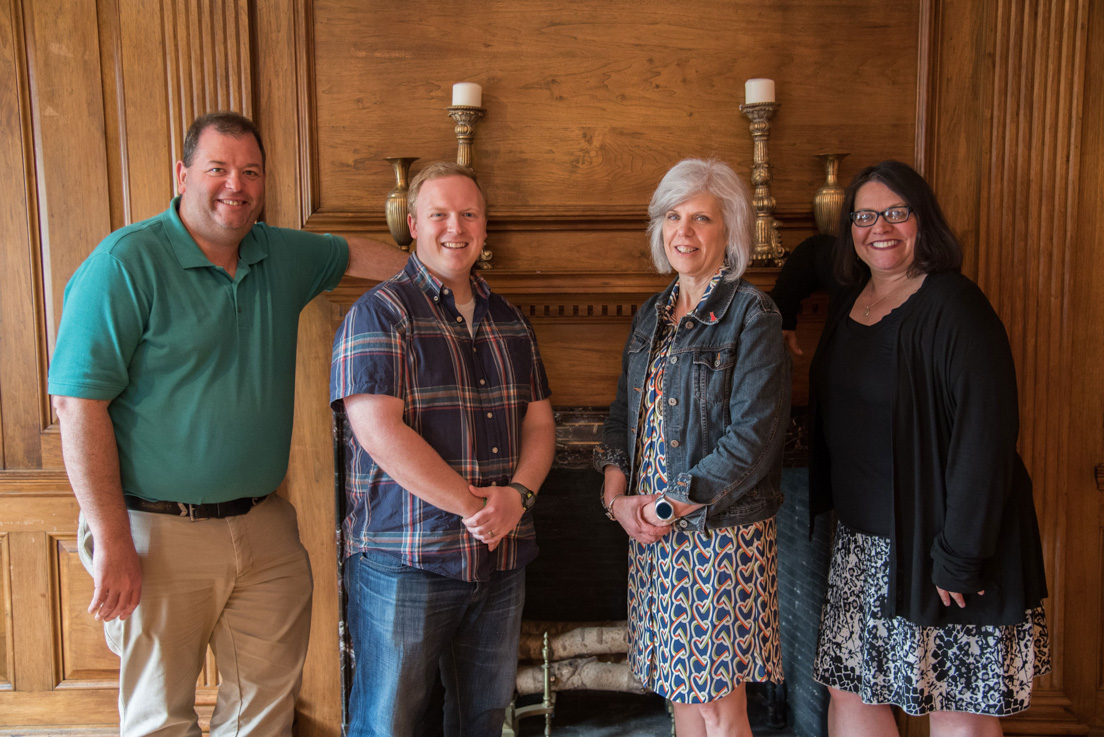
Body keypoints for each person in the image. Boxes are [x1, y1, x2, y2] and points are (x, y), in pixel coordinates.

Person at [48, 111, 408, 737]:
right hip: (154, 531)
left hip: (265, 528)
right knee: (160, 718)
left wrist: (440, 273)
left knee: (265, 715)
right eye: (217, 169)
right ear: (183, 173)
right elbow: (77, 405)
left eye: (249, 171)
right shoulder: (125, 263)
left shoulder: (280, 253)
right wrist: (112, 541)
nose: (234, 185)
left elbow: (351, 252)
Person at [808, 160, 1050, 736]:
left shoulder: (956, 307)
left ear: (923, 220)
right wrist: (789, 318)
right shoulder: (852, 301)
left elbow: (986, 438)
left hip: (946, 544)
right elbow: (805, 262)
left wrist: (961, 555)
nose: (880, 228)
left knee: (956, 708)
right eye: (864, 216)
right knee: (852, 694)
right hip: (865, 548)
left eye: (897, 212)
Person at [330, 161, 556, 737]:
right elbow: (379, 433)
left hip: (499, 560)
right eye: (439, 214)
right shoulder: (378, 313)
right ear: (412, 224)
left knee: (482, 720)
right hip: (405, 563)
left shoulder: (511, 322)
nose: (455, 226)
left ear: (484, 227)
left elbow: (540, 424)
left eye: (468, 214)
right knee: (388, 723)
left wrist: (520, 496)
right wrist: (479, 507)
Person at [594, 158, 791, 737]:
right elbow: (620, 418)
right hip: (651, 532)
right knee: (681, 693)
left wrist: (667, 505)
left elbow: (754, 439)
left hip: (716, 533)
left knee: (718, 707)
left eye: (701, 218)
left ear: (729, 232)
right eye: (673, 216)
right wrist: (616, 502)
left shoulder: (752, 315)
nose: (683, 231)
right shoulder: (651, 316)